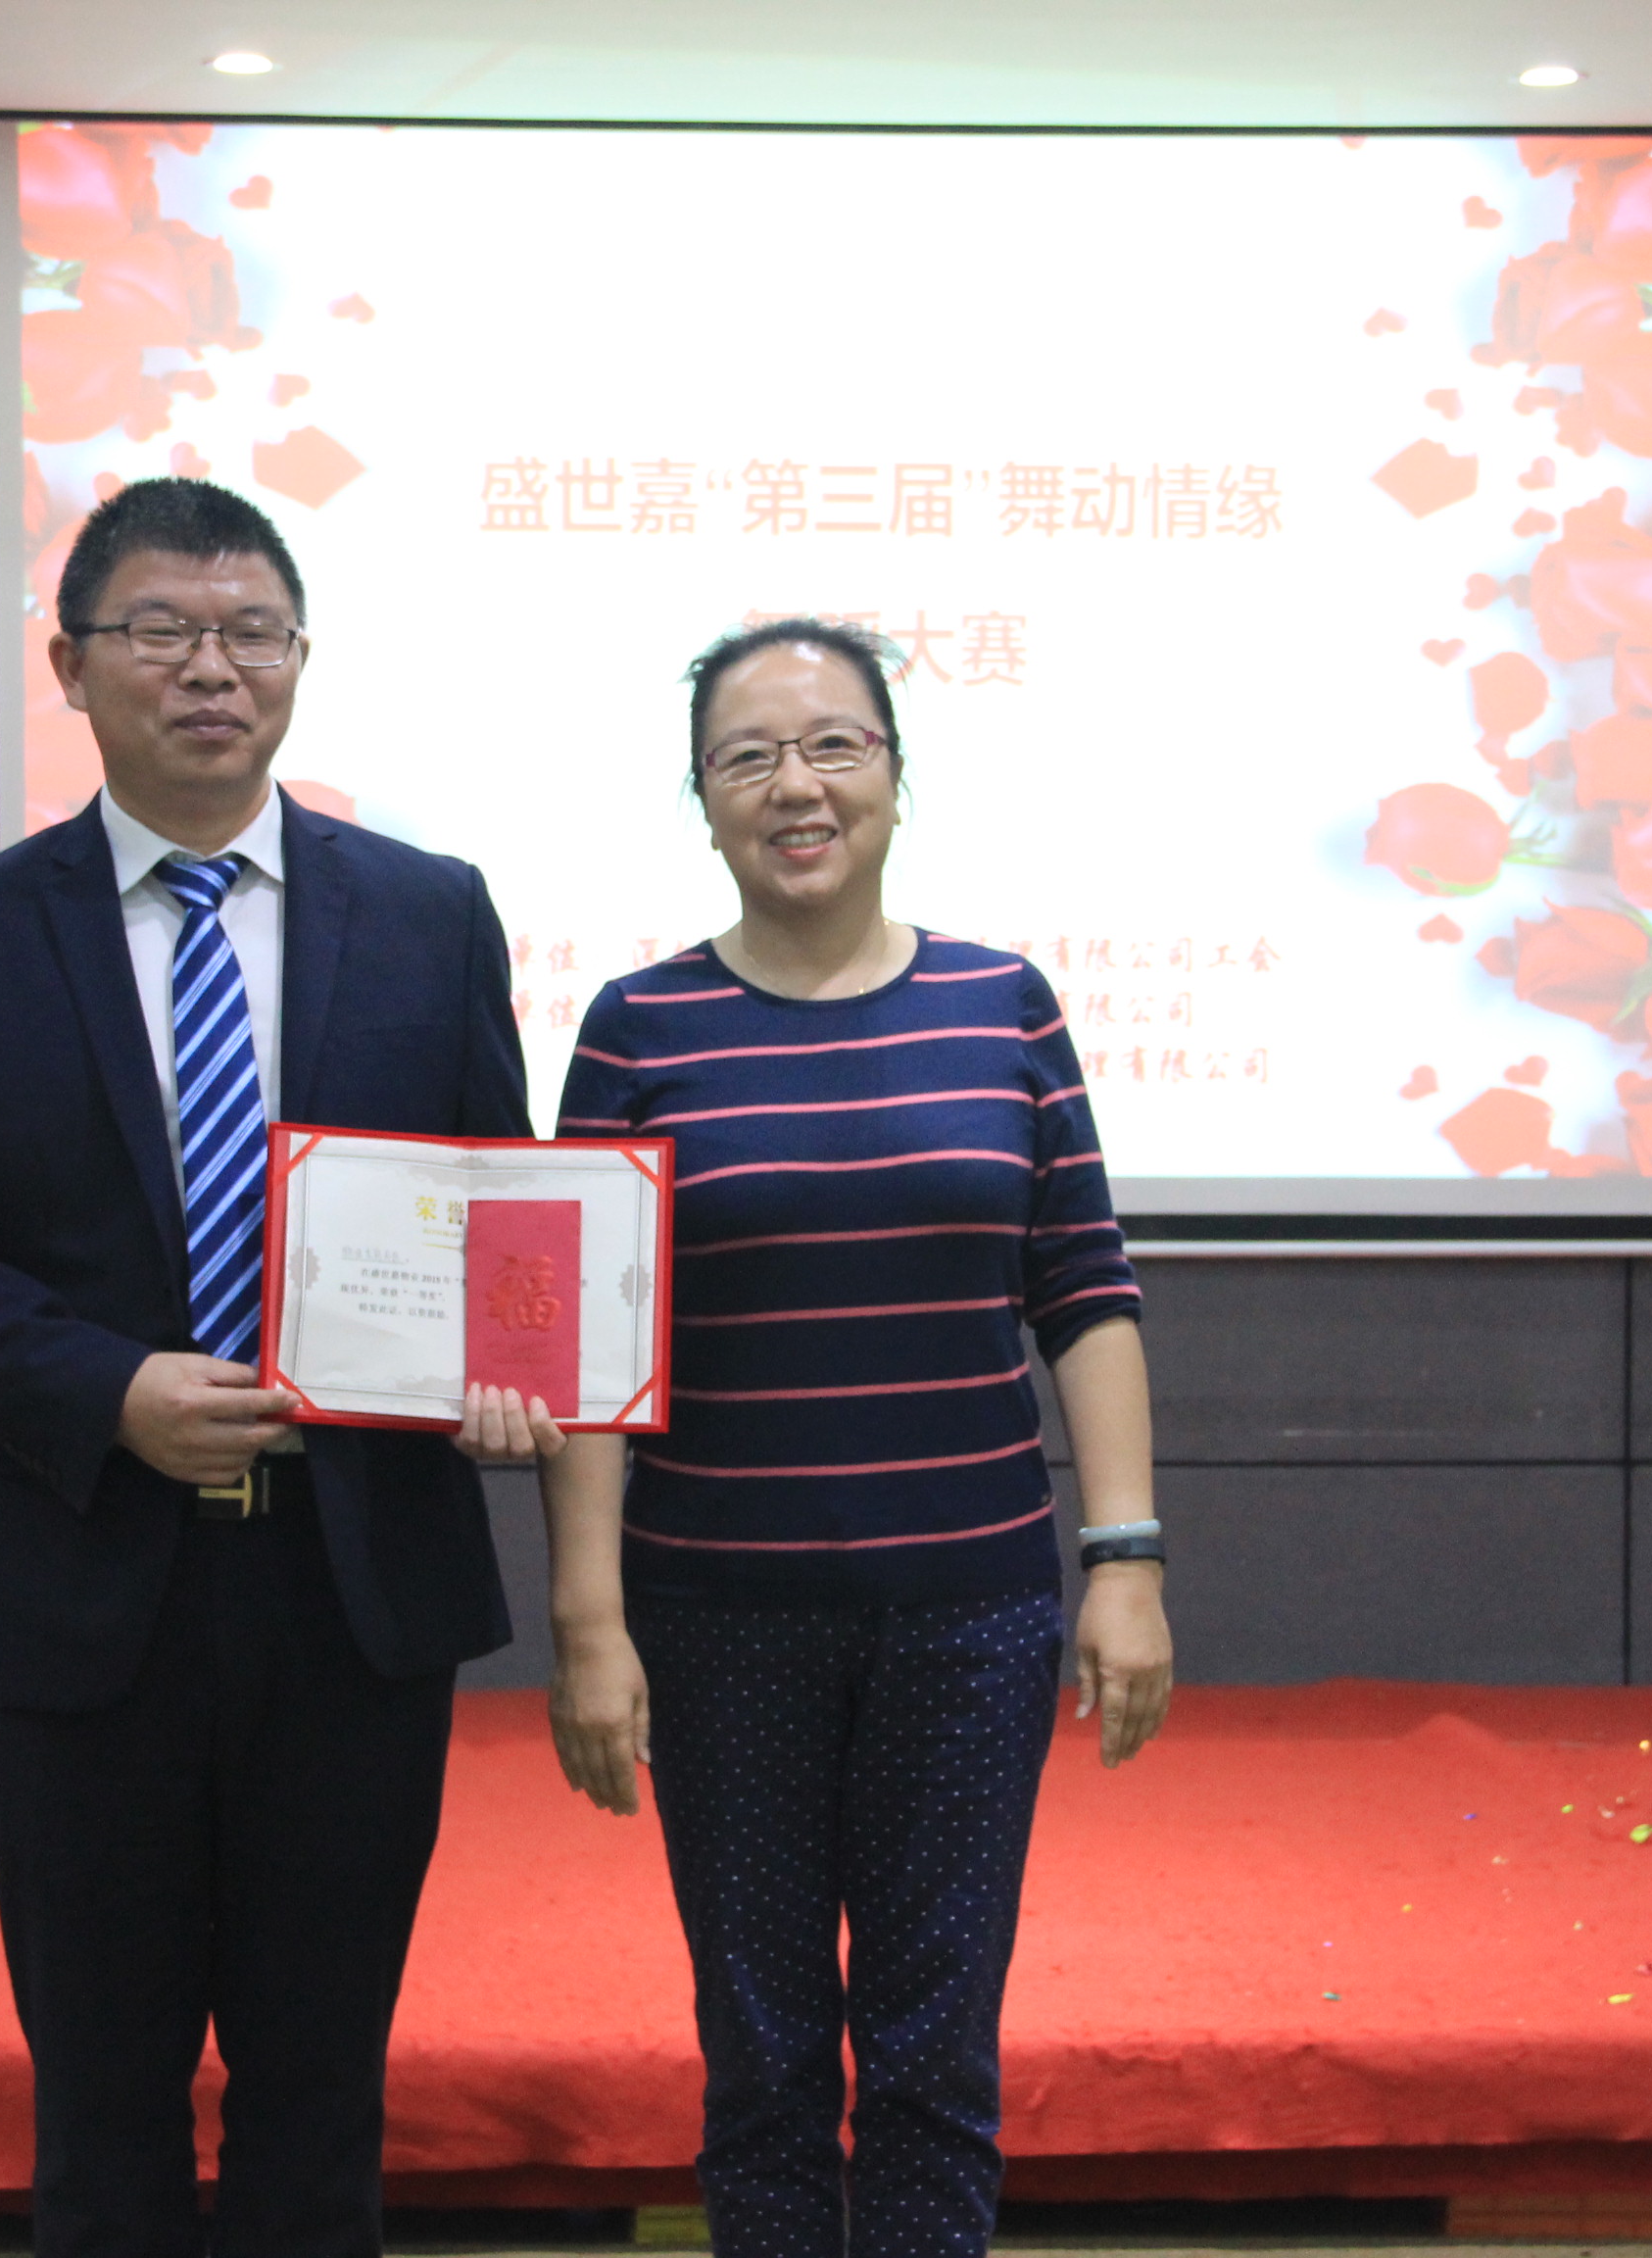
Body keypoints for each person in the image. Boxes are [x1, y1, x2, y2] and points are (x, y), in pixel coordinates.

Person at [0, 477, 538, 2258]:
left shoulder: (431, 913)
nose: (211, 669)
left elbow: (502, 1203)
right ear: (72, 665)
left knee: (323, 2094)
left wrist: (513, 1360)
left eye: (251, 633)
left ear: (299, 661)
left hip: (353, 1585)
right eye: (161, 630)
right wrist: (105, 1391)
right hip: (79, 1584)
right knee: (103, 2104)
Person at [529, 617, 1176, 2258]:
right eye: (748, 756)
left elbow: (1085, 1291)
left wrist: (1125, 1560)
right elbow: (592, 1348)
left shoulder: (1003, 1003)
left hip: (971, 1614)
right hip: (717, 1615)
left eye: (834, 745)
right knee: (759, 2055)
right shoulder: (638, 1027)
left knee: (935, 2047)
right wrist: (589, 1622)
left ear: (896, 772)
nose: (795, 786)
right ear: (700, 800)